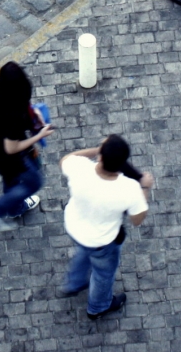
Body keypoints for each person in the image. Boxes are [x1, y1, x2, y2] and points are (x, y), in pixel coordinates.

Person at [60, 135, 153, 319]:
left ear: (101, 157)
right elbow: (137, 219)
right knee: (103, 274)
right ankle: (98, 306)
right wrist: (146, 188)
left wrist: (97, 151)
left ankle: (74, 282)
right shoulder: (129, 189)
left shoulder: (79, 168)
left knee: (83, 251)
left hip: (74, 227)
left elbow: (66, 159)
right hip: (102, 241)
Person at [0, 62, 54, 232]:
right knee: (35, 182)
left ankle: (15, 208)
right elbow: (11, 148)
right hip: (9, 155)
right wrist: (39, 136)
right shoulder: (12, 118)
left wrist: (32, 113)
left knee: (11, 180)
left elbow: (21, 107)